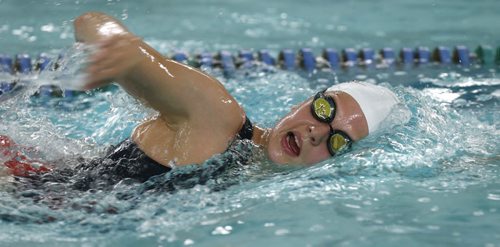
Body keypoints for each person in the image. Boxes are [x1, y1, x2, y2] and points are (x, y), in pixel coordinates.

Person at [1, 12, 399, 189]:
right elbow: (93, 21)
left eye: (337, 140)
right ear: (302, 102)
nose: (316, 132)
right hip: (19, 185)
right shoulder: (216, 116)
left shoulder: (253, 176)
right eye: (324, 111)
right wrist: (118, 45)